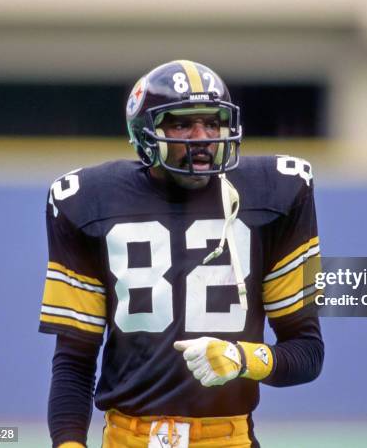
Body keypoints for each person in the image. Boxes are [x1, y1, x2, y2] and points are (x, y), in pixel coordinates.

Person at [39, 59, 324, 448]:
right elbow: (75, 357)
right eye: (181, 123)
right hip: (127, 439)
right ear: (145, 134)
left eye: (212, 122)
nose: (202, 136)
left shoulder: (279, 194)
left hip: (227, 440)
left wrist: (243, 359)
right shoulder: (87, 203)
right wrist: (69, 443)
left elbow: (307, 351)